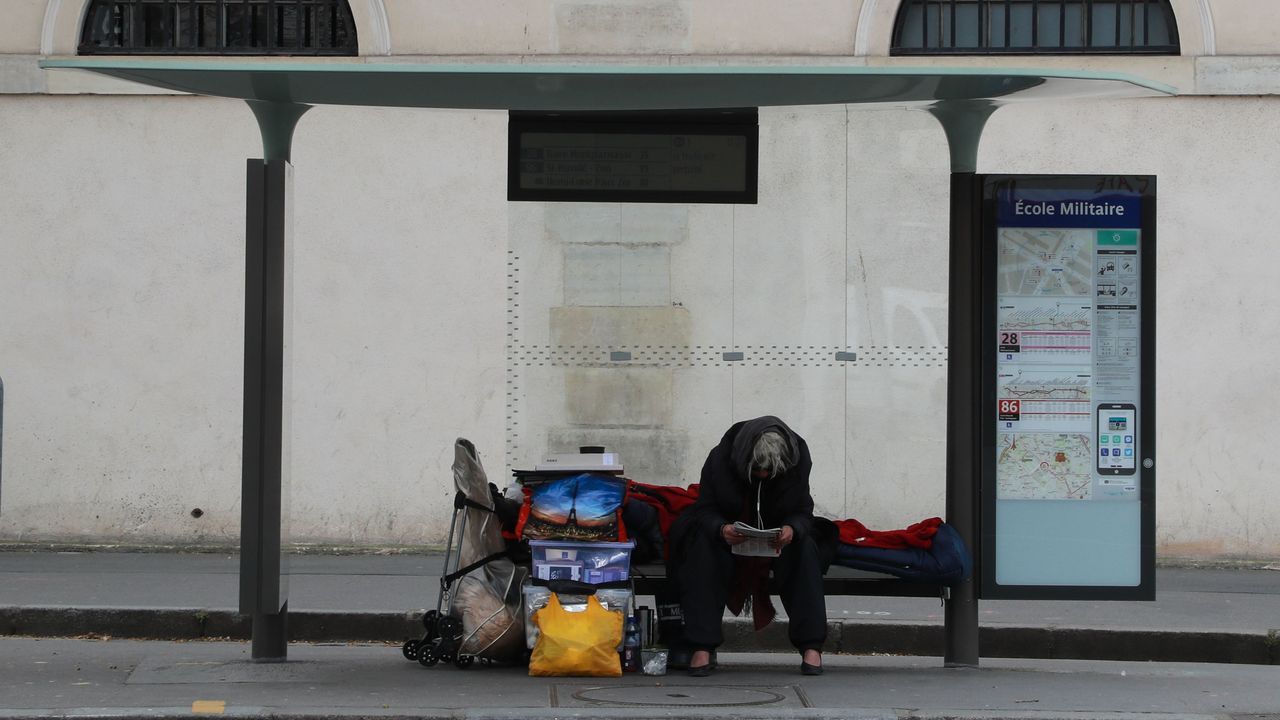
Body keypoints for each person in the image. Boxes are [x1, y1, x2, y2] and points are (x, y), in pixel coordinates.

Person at [667, 415, 827, 677]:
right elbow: (705, 508)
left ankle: (812, 646)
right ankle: (702, 646)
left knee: (805, 549)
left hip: (777, 540)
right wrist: (722, 529)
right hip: (730, 537)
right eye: (757, 470)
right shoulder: (720, 458)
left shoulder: (797, 459)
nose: (763, 475)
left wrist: (792, 529)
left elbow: (803, 510)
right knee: (702, 550)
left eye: (770, 472)